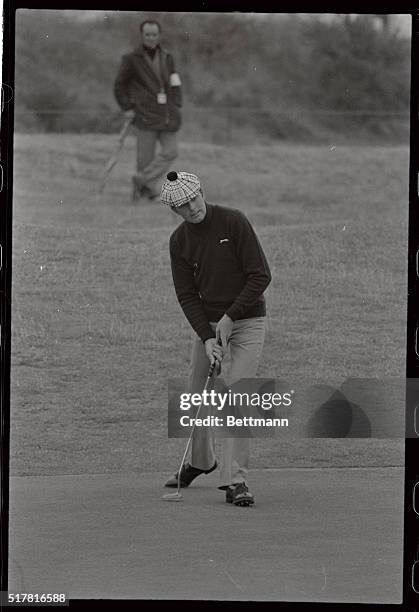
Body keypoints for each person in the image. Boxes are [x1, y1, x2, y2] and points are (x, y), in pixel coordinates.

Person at [161, 171, 272, 506]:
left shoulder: (233, 222)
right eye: (183, 205)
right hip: (209, 327)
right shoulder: (179, 241)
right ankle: (200, 461)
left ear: (202, 193)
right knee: (196, 394)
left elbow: (260, 275)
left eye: (194, 198)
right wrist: (208, 337)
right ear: (175, 210)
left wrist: (230, 317)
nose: (192, 207)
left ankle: (235, 481)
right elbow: (187, 295)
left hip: (247, 321)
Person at [114, 19, 182, 201]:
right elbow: (119, 86)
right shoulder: (130, 59)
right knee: (145, 159)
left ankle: (141, 180)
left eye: (154, 34)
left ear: (159, 36)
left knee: (171, 151)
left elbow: (175, 82)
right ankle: (143, 193)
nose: (151, 38)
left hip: (167, 114)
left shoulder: (168, 57)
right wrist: (127, 107)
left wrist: (177, 102)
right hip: (144, 115)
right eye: (147, 35)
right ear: (142, 36)